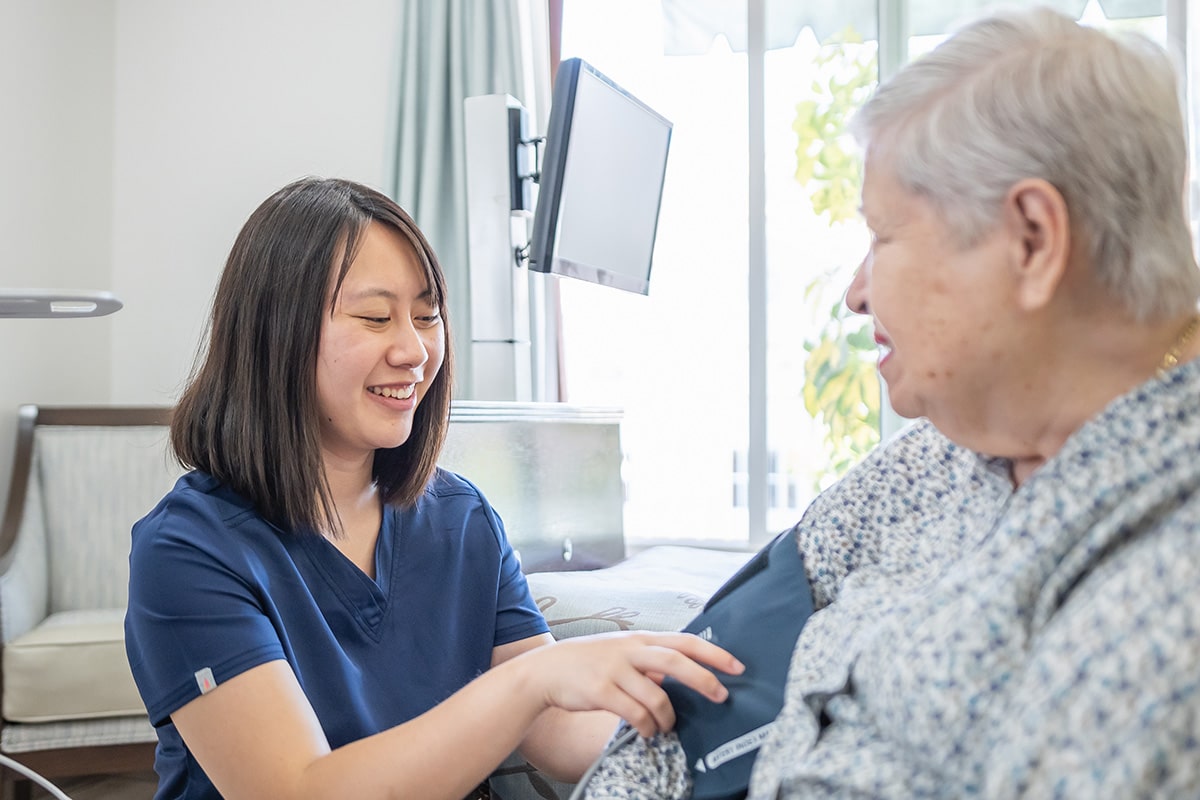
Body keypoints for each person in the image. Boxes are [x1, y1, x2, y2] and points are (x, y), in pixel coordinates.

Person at [576, 5, 1200, 798]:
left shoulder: (1161, 607)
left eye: (884, 237)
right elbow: (703, 675)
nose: (855, 292)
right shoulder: (947, 457)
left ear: (1033, 241)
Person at [123, 177, 744, 800]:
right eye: (374, 318)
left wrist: (716, 725)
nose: (415, 350)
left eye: (427, 316)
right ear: (274, 334)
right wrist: (530, 683)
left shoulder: (460, 518)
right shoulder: (190, 551)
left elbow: (557, 732)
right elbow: (297, 790)